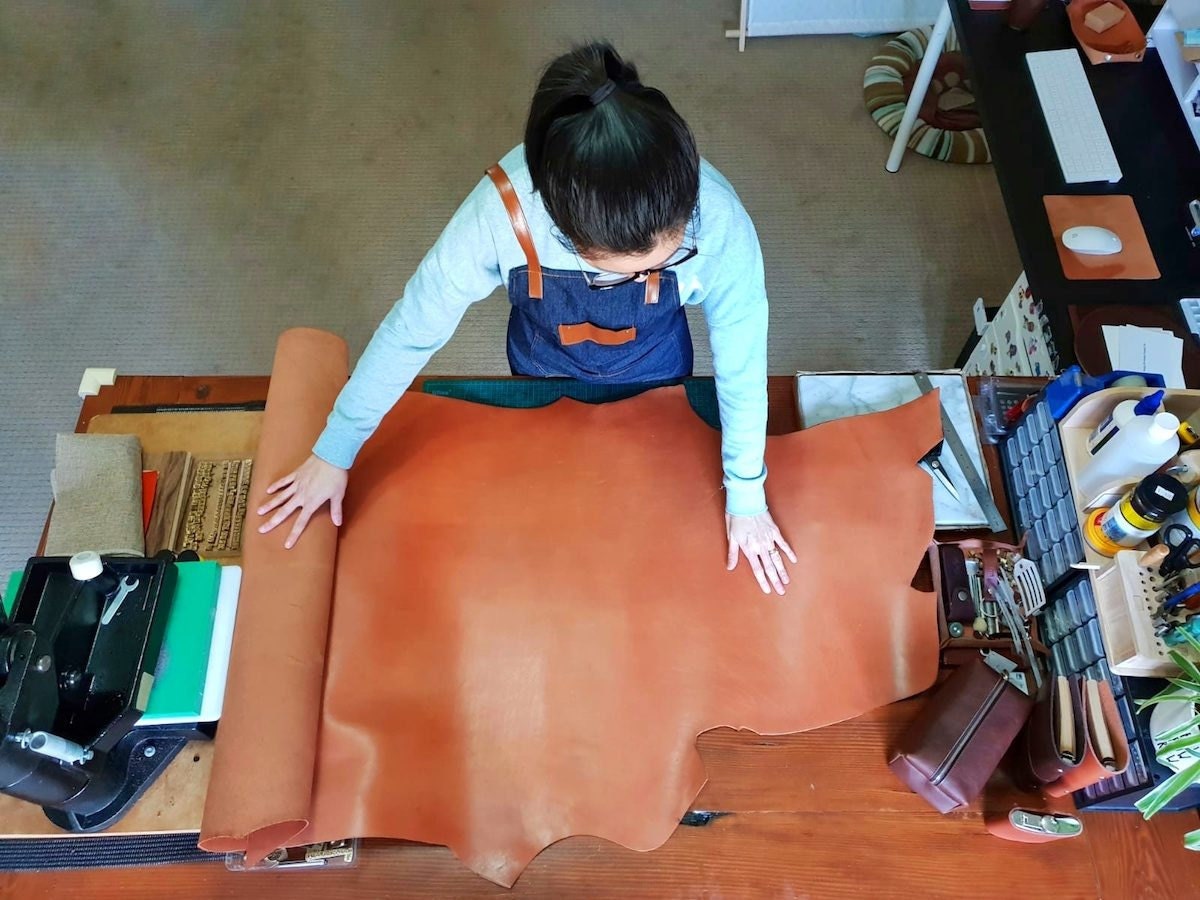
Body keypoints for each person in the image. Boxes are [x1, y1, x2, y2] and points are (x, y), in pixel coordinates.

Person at [258, 42, 796, 595]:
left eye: (666, 262)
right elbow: (414, 329)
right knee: (544, 544)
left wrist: (747, 495)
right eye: (618, 271)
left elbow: (742, 363)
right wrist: (335, 449)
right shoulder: (500, 214)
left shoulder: (719, 221)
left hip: (659, 372)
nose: (640, 279)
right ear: (561, 225)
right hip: (540, 372)